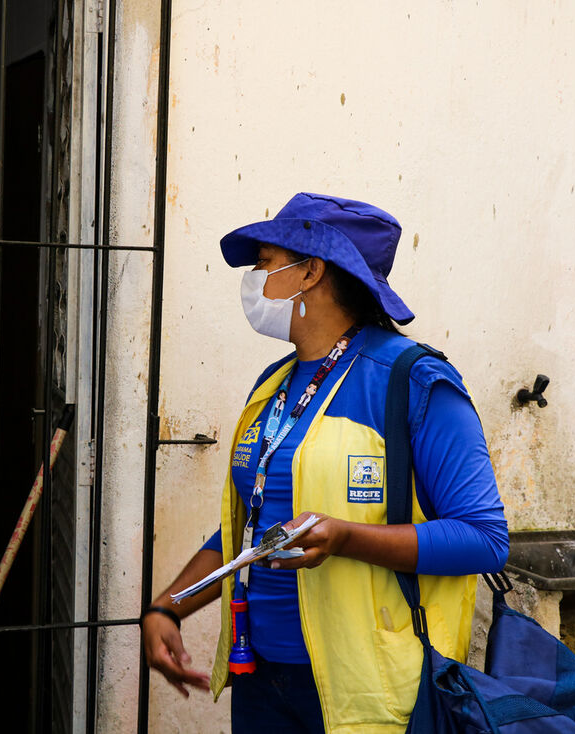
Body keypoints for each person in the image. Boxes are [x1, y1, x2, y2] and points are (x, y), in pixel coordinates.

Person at [141, 193, 509, 732]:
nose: (254, 279)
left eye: (265, 263)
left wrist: (344, 537)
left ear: (310, 271)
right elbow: (250, 527)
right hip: (261, 676)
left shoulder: (415, 382)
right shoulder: (272, 386)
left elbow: (486, 539)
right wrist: (169, 606)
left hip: (367, 689)